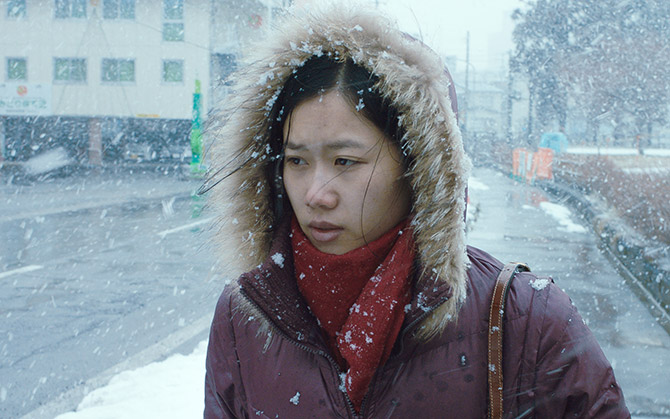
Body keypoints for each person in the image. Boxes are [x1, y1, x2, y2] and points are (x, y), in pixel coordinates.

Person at [203, 4, 628, 418]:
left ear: (416, 166)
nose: (316, 193)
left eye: (345, 162)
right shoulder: (246, 316)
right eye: (297, 161)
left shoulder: (524, 319)